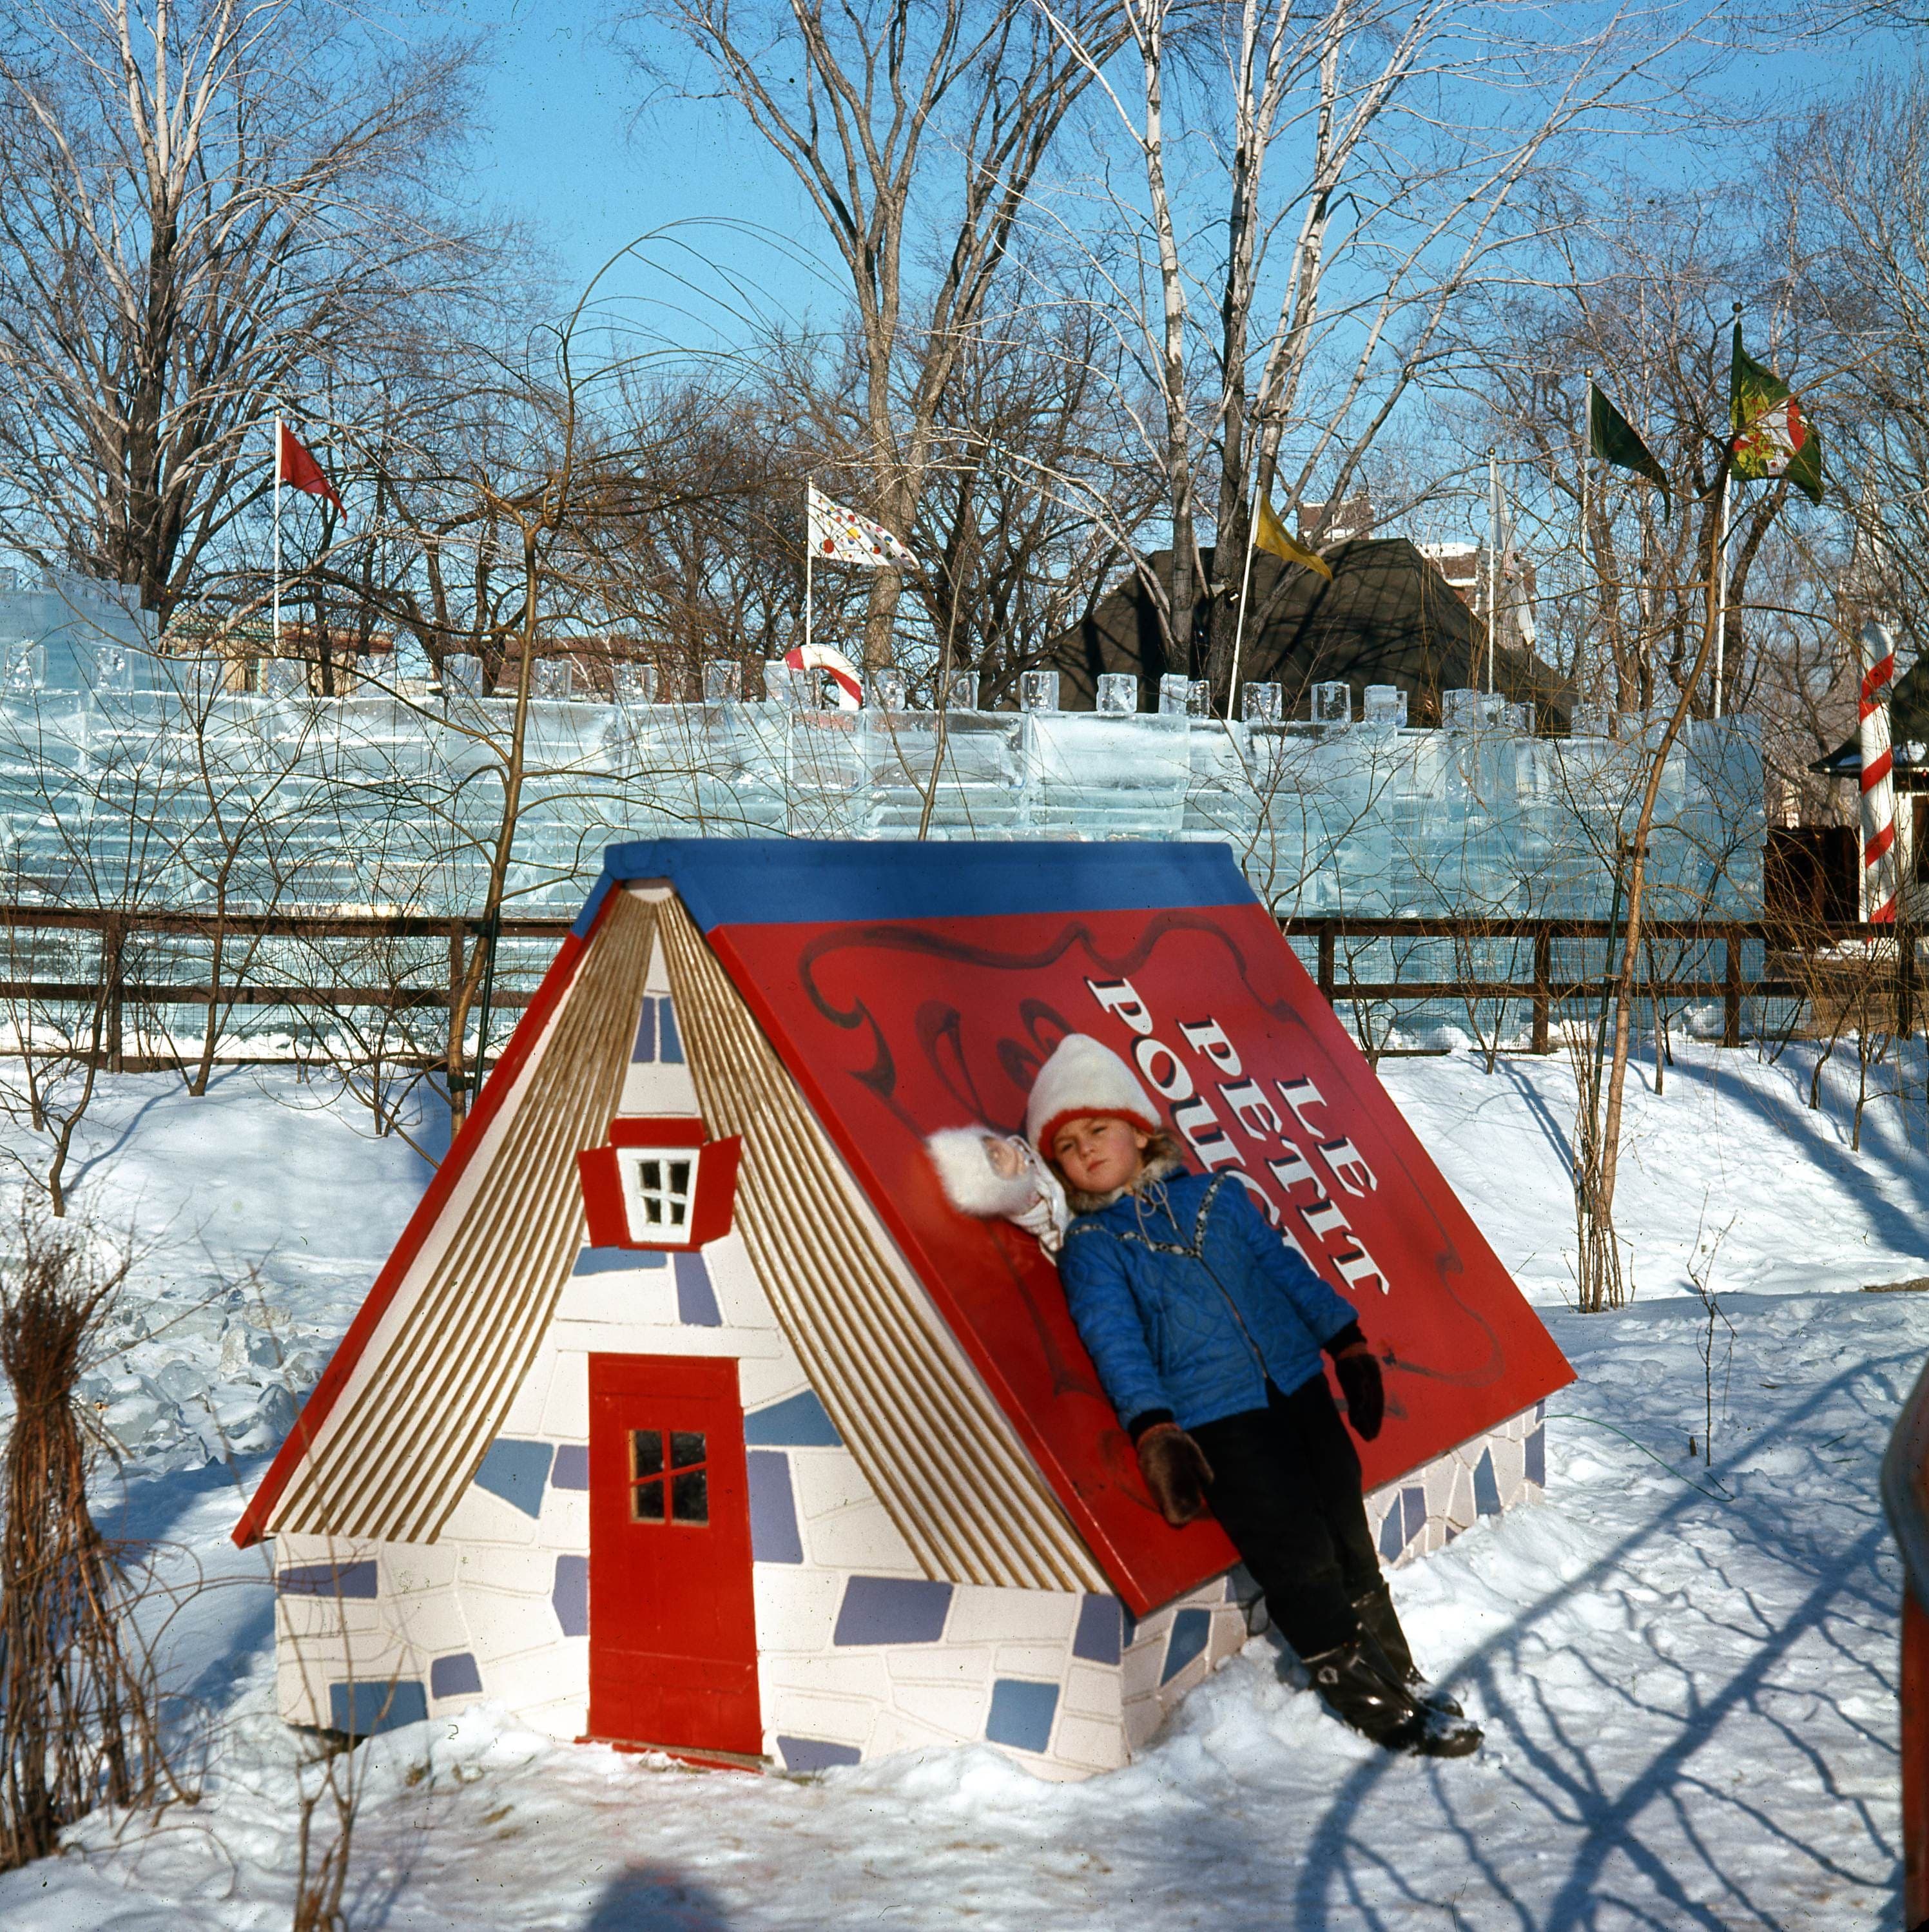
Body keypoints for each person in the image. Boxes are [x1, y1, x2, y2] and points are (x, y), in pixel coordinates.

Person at [1028, 1032, 1480, 1757]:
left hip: (1296, 1385)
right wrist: (1154, 1430)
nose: (1083, 1150)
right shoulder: (1094, 1246)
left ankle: (1399, 1670)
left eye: (1096, 1129)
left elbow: (1285, 1270)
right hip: (1220, 1419)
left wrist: (1347, 1342)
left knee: (1341, 1522)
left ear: (1139, 1130)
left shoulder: (1218, 1195)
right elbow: (1115, 1344)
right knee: (1295, 1551)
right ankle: (1363, 1694)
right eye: (1066, 1147)